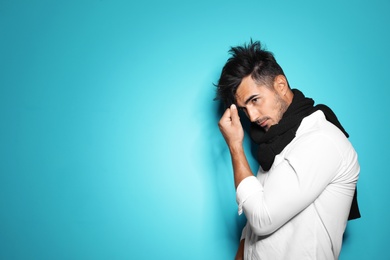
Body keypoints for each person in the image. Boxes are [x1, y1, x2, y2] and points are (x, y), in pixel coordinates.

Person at [215, 40, 360, 260]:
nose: (252, 117)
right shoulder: (273, 143)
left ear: (281, 85)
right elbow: (253, 230)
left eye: (255, 100)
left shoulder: (320, 139)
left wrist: (235, 147)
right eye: (244, 109)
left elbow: (263, 219)